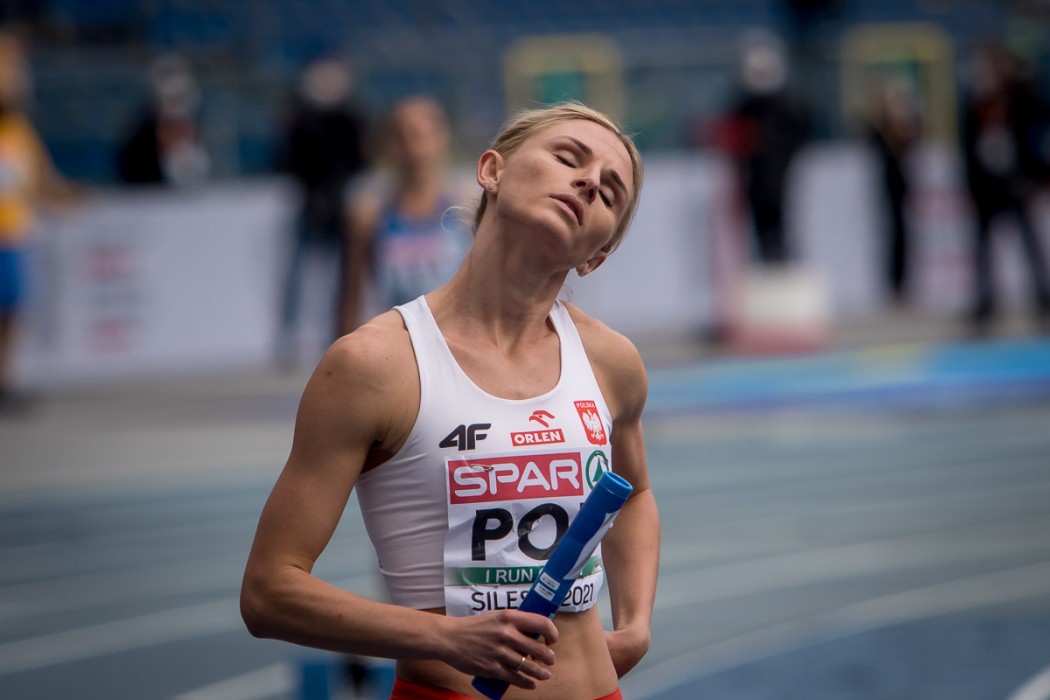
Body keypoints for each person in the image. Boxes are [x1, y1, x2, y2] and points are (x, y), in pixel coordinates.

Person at [241, 102, 659, 700]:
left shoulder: (611, 362)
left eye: (611, 193)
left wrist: (636, 624)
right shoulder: (373, 366)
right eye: (569, 158)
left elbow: (634, 492)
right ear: (492, 170)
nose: (590, 182)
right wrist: (445, 638)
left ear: (596, 257)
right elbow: (267, 592)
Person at [342, 95, 470, 333]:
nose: (413, 149)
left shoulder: (467, 210)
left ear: (442, 137)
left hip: (455, 337)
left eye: (419, 136)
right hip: (399, 338)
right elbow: (353, 294)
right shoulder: (370, 214)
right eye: (401, 138)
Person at [0, 30, 78, 412]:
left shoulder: (20, 132)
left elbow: (42, 181)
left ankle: (5, 379)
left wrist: (63, 196)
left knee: (14, 310)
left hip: (14, 234)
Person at [274, 56, 369, 365]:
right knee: (297, 275)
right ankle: (289, 337)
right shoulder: (302, 119)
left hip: (341, 203)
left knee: (346, 273)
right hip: (310, 203)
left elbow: (359, 160)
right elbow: (289, 161)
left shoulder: (349, 119)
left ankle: (339, 331)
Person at [960, 42, 1050, 335]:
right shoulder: (975, 104)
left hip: (1016, 182)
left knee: (1030, 245)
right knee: (984, 249)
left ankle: (1042, 300)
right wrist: (972, 187)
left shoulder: (1018, 99)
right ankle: (985, 304)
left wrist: (1033, 177)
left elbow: (1035, 133)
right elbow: (967, 149)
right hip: (987, 188)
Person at [723, 32, 810, 265]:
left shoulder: (787, 106)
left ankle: (781, 254)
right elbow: (735, 139)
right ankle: (766, 255)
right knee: (759, 214)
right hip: (755, 174)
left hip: (778, 171)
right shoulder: (744, 107)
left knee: (780, 211)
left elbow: (799, 133)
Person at [116, 53, 210, 187]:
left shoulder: (198, 131)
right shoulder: (138, 145)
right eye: (172, 99)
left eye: (181, 97)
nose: (177, 106)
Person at [866, 78, 921, 306]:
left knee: (905, 235)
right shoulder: (879, 130)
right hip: (889, 187)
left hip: (902, 186)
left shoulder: (907, 127)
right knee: (892, 235)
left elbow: (912, 144)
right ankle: (894, 283)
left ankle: (904, 282)